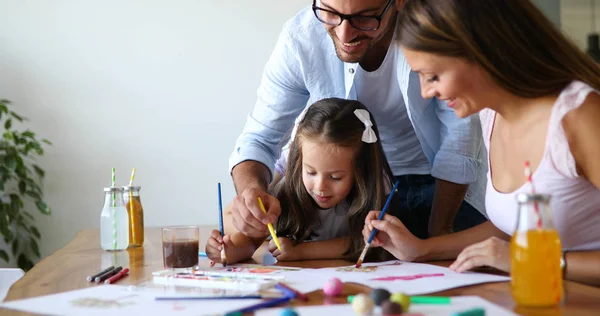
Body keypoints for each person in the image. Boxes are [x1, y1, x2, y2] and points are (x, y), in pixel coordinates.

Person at [363, 0, 600, 286]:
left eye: (433, 76)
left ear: (480, 51)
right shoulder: (491, 116)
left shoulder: (579, 116)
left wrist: (528, 259)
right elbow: (510, 229)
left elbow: (521, 252)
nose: (426, 92)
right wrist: (421, 249)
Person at [227, 0, 488, 245]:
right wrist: (251, 192)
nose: (344, 35)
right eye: (330, 13)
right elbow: (259, 139)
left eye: (364, 17)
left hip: (438, 188)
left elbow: (460, 143)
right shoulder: (301, 38)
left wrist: (437, 235)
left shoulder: (439, 33)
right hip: (348, 198)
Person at [206, 98, 396, 263]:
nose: (320, 186)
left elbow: (364, 243)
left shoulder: (374, 191)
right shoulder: (283, 196)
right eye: (311, 172)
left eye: (335, 177)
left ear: (361, 170)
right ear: (298, 162)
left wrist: (300, 251)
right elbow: (251, 240)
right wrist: (227, 251)